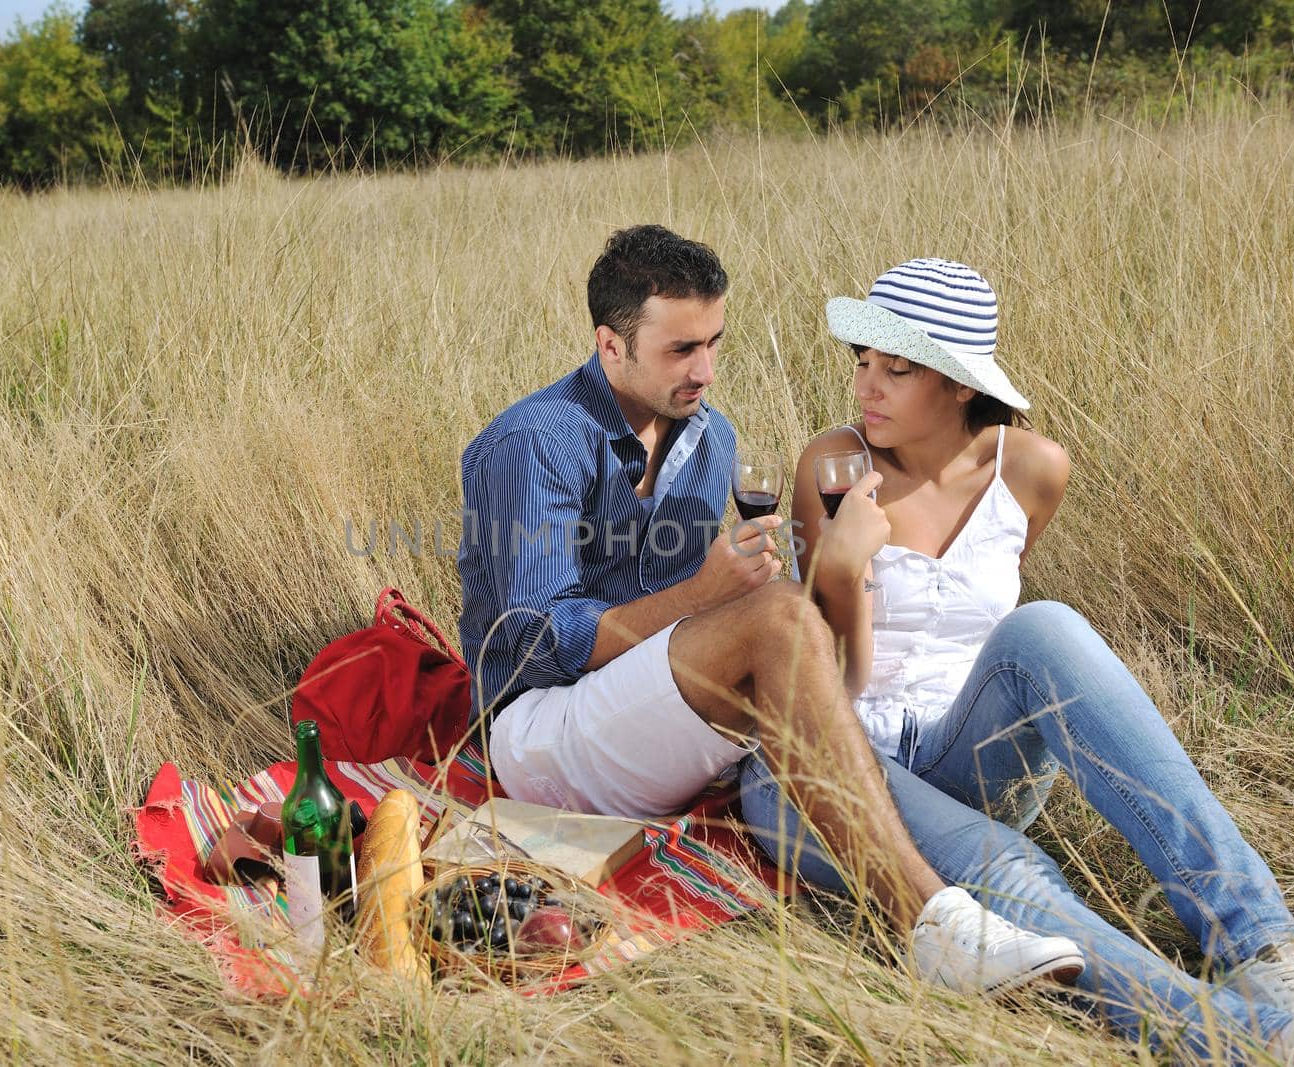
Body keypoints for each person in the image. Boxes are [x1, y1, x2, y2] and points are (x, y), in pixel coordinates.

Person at [740, 257, 1294, 1062]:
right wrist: (835, 570)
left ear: (962, 383)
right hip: (823, 764)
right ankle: (1263, 1042)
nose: (867, 386)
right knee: (1007, 863)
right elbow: (820, 673)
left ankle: (1265, 954)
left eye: (896, 369)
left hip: (961, 753)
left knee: (1046, 626)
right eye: (862, 362)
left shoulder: (1033, 469)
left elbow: (987, 641)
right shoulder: (833, 465)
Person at [455, 226, 1087, 995]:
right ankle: (932, 924)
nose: (707, 370)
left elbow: (701, 627)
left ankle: (968, 892)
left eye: (715, 342)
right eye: (682, 349)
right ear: (610, 345)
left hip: (655, 715)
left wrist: (756, 595)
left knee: (789, 620)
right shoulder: (534, 443)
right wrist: (709, 600)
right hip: (540, 735)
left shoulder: (710, 439)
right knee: (782, 618)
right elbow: (532, 645)